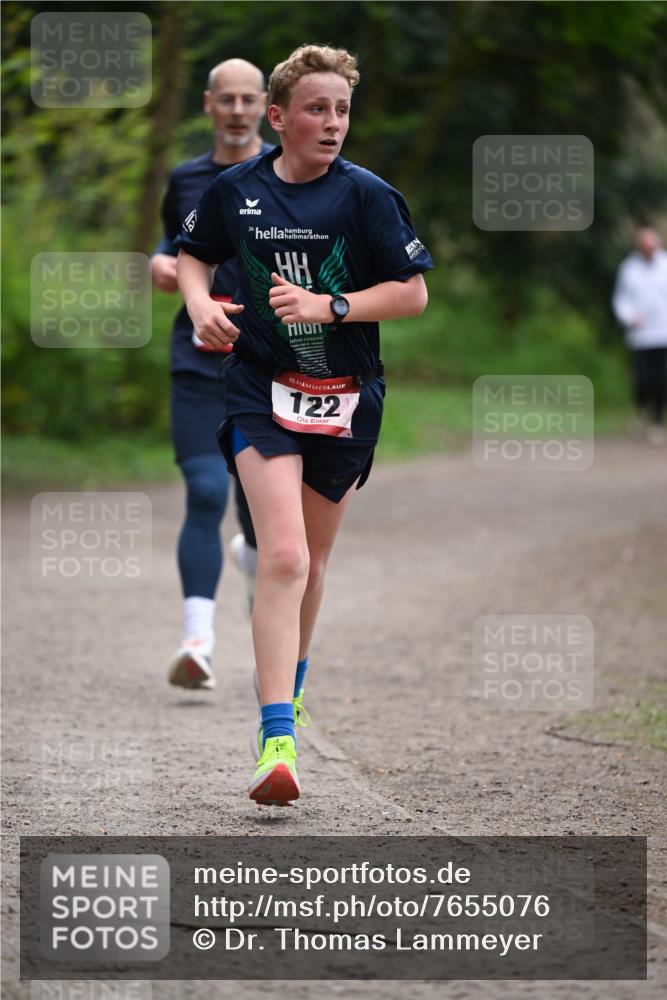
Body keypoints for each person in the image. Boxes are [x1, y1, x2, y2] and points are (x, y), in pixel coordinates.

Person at [177, 43, 433, 806]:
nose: (332, 123)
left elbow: (411, 294)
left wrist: (331, 306)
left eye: (342, 110)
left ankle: (289, 687)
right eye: (316, 109)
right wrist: (199, 303)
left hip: (345, 397)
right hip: (259, 390)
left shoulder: (367, 196)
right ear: (278, 117)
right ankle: (277, 738)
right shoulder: (237, 189)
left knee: (313, 565)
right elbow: (194, 255)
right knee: (283, 556)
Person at [151, 59, 272, 692]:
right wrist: (160, 263)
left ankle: (254, 564)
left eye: (249, 99)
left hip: (270, 366)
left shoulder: (288, 175)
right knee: (204, 491)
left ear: (267, 106)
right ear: (208, 104)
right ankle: (197, 641)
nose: (237, 110)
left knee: (259, 516)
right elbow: (175, 244)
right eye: (227, 99)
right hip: (198, 360)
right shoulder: (186, 178)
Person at [612, 225, 667, 446]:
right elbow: (620, 299)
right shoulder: (629, 268)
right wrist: (629, 317)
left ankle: (657, 421)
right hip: (640, 336)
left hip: (663, 333)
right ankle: (642, 411)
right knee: (643, 379)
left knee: (662, 379)